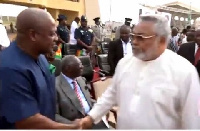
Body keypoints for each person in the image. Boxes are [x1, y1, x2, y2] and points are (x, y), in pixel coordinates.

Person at [78, 15, 200, 129]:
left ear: (162, 41)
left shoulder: (184, 72)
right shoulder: (125, 63)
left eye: (141, 37)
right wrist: (91, 117)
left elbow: (192, 121)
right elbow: (111, 94)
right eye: (133, 36)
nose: (134, 41)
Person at [0, 8, 80, 129]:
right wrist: (71, 127)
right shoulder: (9, 69)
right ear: (33, 35)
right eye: (51, 34)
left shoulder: (41, 57)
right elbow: (27, 121)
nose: (56, 38)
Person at [56, 55, 108, 129]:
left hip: (91, 119)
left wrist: (100, 108)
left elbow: (88, 101)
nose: (82, 67)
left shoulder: (81, 79)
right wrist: (72, 125)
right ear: (68, 68)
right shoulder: (55, 86)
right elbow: (54, 115)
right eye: (79, 64)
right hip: (74, 125)